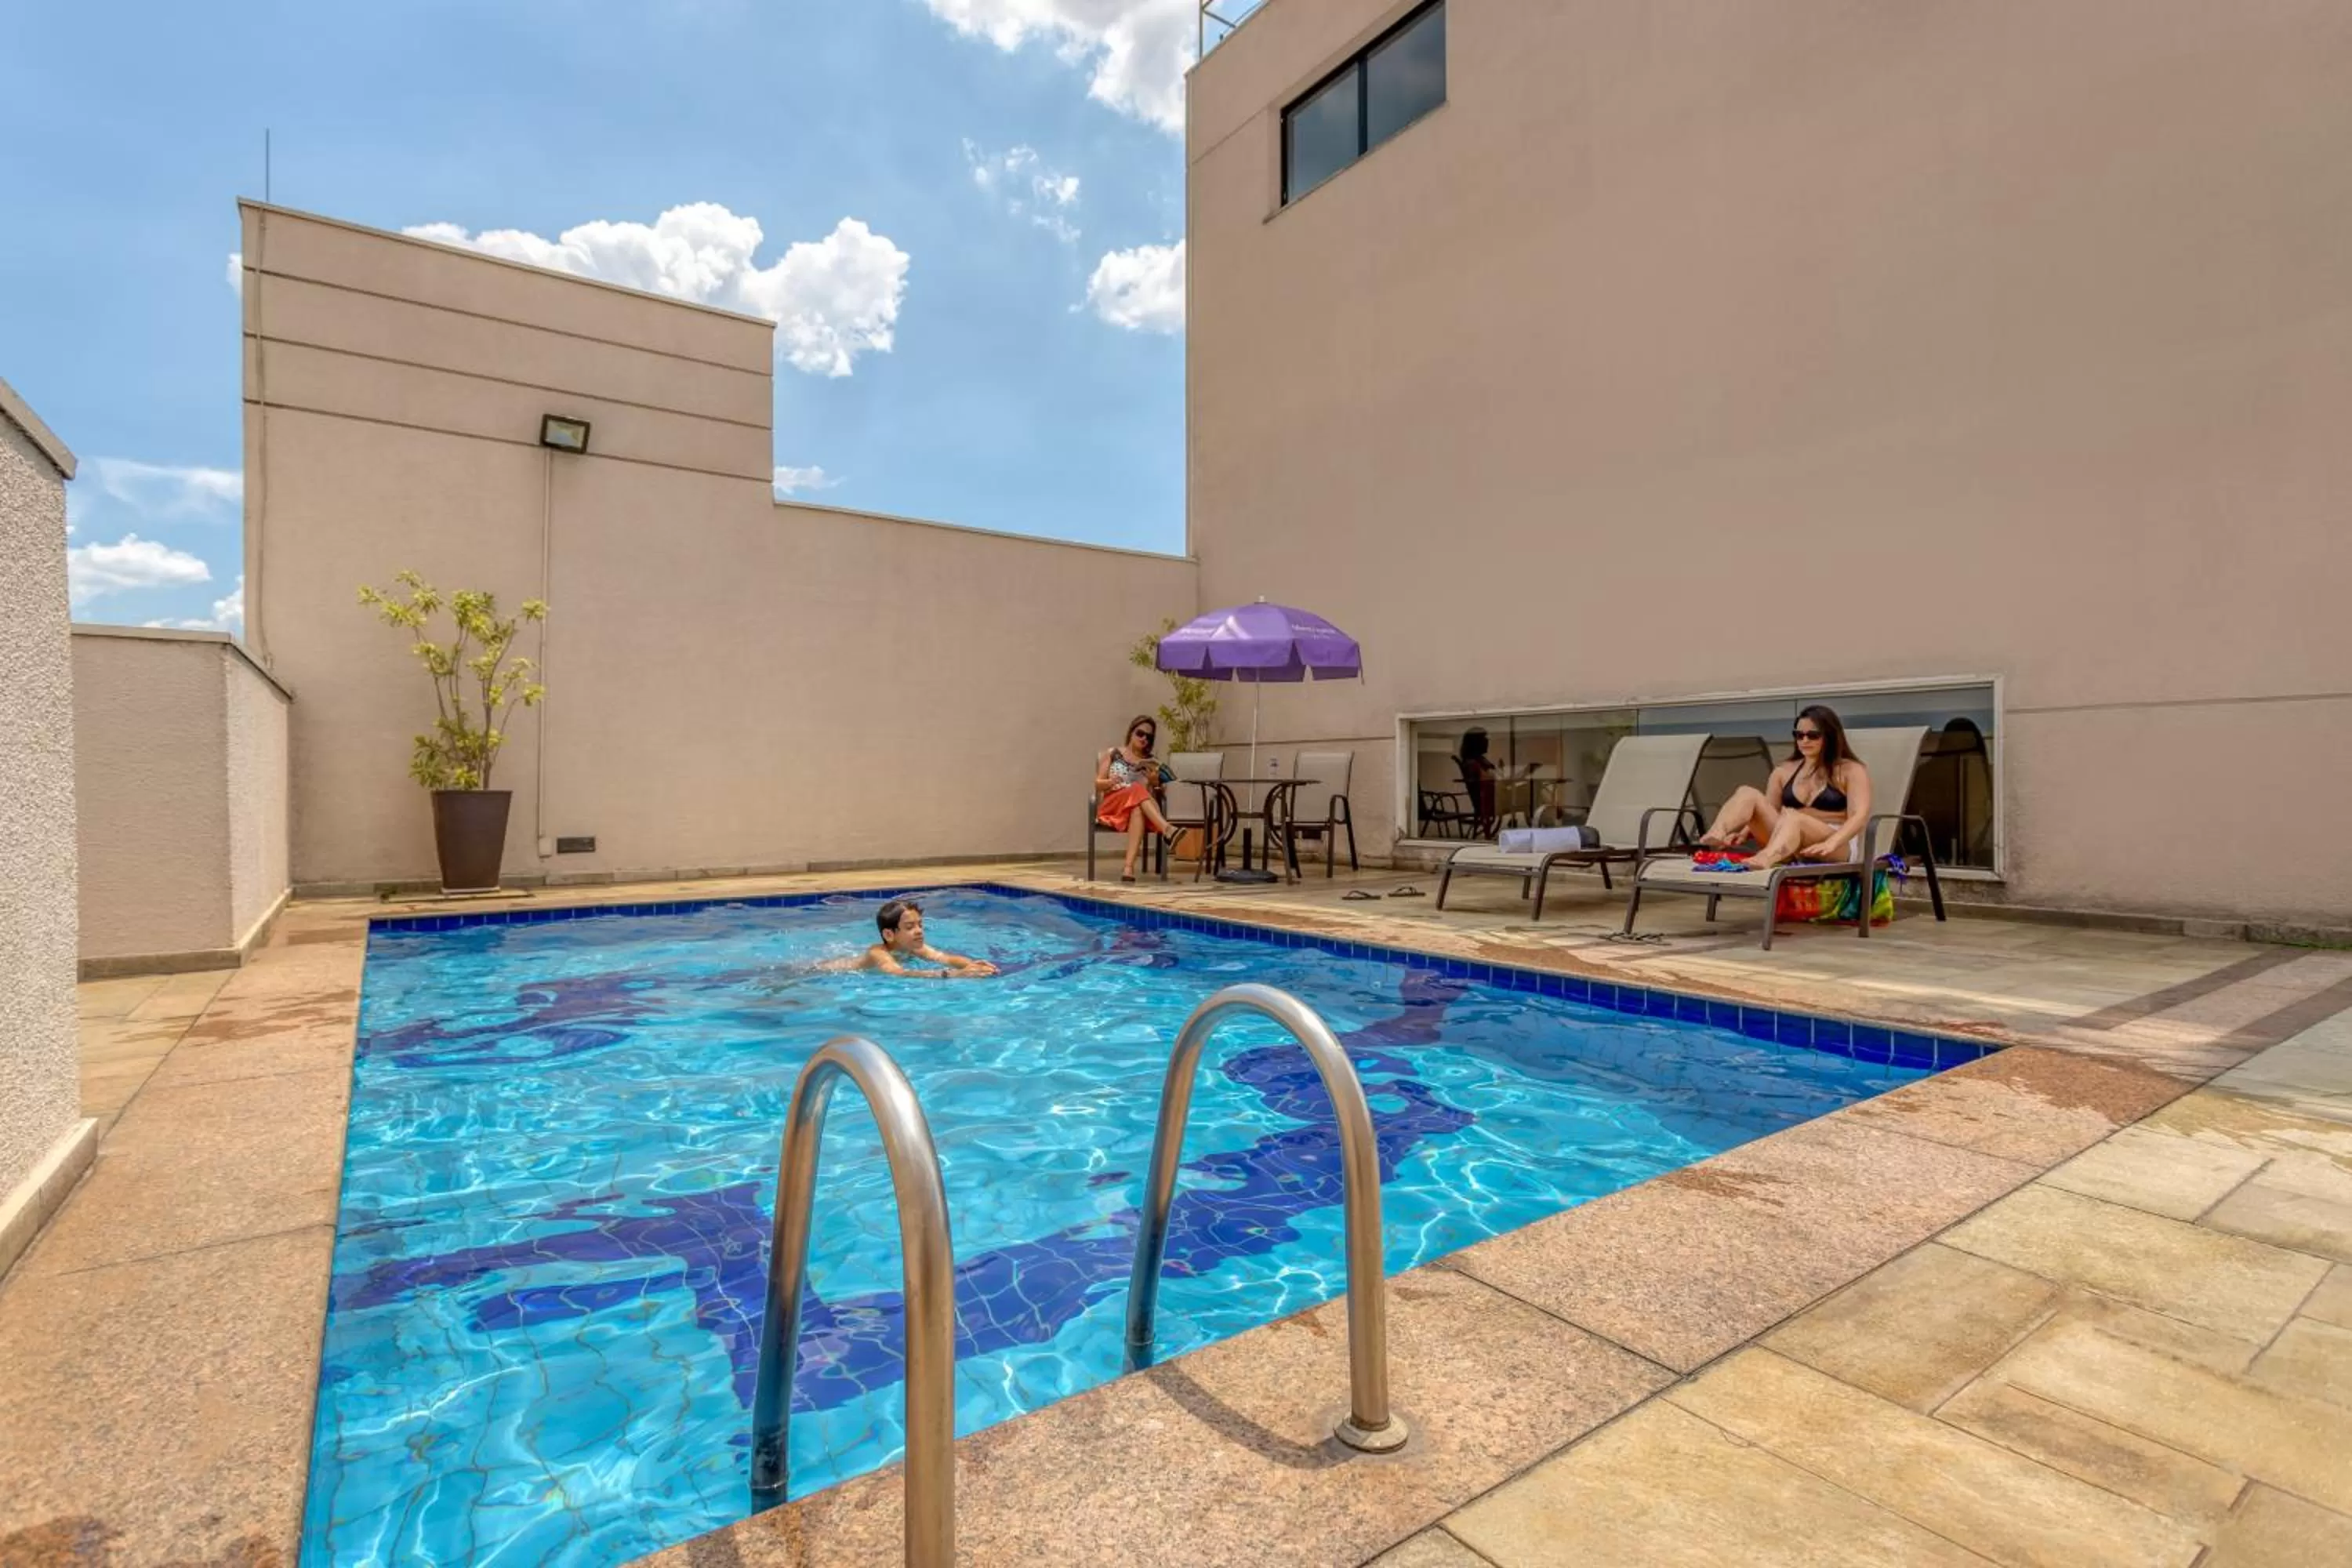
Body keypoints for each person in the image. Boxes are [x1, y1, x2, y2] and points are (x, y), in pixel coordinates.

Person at [1697, 704, 1874, 869]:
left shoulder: (1851, 770)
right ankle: (1718, 832)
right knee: (1747, 792)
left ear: (1830, 736)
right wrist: (1744, 833)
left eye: (1813, 735)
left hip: (1836, 845)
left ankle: (1766, 857)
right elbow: (1767, 810)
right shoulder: (1783, 772)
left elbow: (1859, 816)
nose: (1805, 740)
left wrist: (1832, 842)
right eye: (1799, 735)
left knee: (1792, 816)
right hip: (1786, 841)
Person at [1095, 715, 1181, 882]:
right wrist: (1110, 781)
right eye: (1140, 733)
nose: (1144, 739)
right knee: (1136, 789)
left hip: (1138, 808)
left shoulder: (1151, 762)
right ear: (1131, 732)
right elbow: (1098, 784)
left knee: (1137, 808)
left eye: (1149, 737)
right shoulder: (1113, 754)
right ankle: (1167, 829)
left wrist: (1156, 783)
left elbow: (1159, 796)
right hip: (1113, 806)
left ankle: (1128, 868)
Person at [845, 898, 998, 978]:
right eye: (910, 927)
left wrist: (972, 965)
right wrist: (953, 974)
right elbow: (898, 973)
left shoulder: (914, 948)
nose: (919, 931)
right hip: (830, 970)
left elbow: (945, 958)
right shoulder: (877, 953)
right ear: (889, 935)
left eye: (920, 925)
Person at [1457, 727, 1499, 837]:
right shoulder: (1473, 764)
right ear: (1477, 743)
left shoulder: (1480, 761)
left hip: (1491, 799)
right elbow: (1489, 779)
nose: (1488, 741)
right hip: (1488, 803)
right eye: (1485, 739)